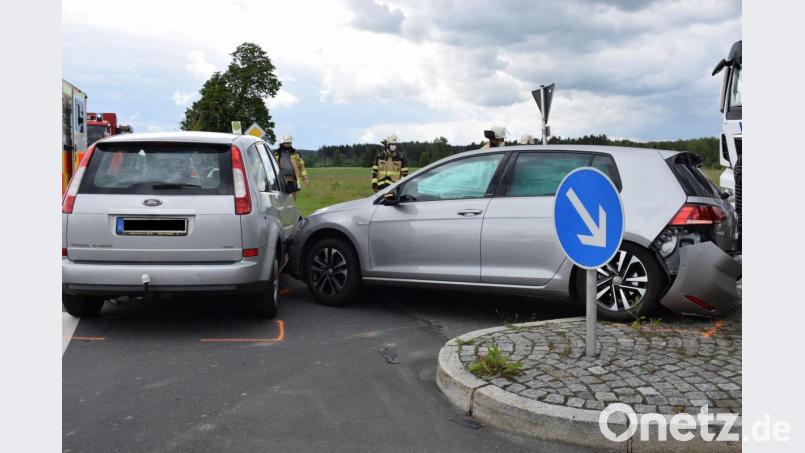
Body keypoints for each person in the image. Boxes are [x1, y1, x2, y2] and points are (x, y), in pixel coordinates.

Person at [274, 133, 309, 198]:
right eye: (286, 143)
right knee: (281, 200)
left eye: (289, 143)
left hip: (292, 180)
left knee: (292, 201)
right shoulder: (276, 153)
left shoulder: (296, 154)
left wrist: (305, 178)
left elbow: (302, 167)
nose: (288, 144)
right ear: (282, 143)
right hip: (280, 180)